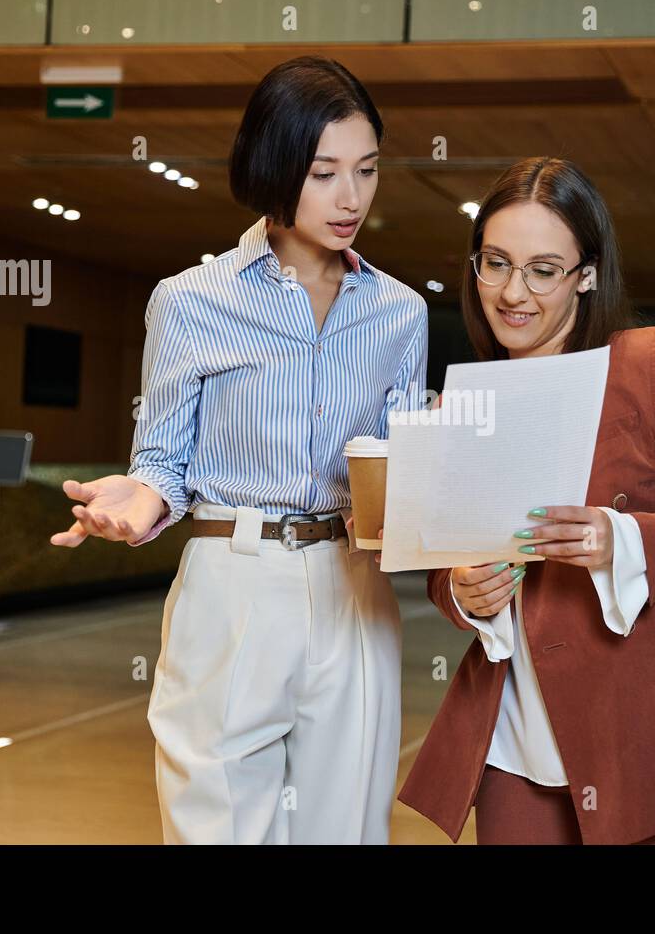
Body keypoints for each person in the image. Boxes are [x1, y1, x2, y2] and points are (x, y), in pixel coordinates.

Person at [49, 56, 428, 844]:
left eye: (366, 171)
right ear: (274, 163)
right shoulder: (191, 301)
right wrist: (142, 502)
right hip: (233, 580)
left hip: (355, 585)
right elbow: (162, 459)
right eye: (324, 173)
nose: (351, 197)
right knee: (218, 822)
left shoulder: (399, 314)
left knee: (347, 828)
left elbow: (400, 473)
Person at [396, 157, 655, 844]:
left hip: (650, 733)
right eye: (496, 263)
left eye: (543, 269)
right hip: (515, 741)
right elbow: (444, 571)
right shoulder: (464, 402)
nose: (513, 292)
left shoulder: (648, 364)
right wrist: (464, 594)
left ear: (587, 275)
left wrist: (620, 538)